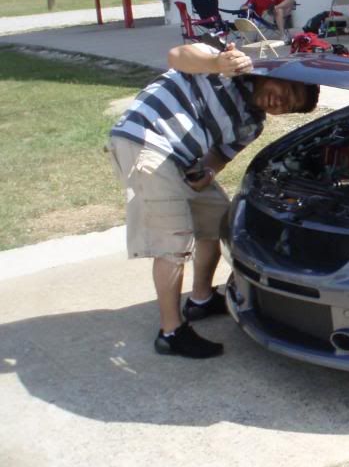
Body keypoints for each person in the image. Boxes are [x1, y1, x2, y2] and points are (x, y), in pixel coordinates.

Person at [107, 39, 319, 358]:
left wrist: (207, 172)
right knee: (174, 242)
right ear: (272, 73)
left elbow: (219, 157)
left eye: (288, 107)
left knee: (221, 221)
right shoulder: (226, 67)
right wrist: (217, 63)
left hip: (182, 161)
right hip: (147, 142)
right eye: (285, 92)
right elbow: (176, 55)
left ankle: (201, 300)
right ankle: (171, 332)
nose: (279, 103)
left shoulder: (252, 125)